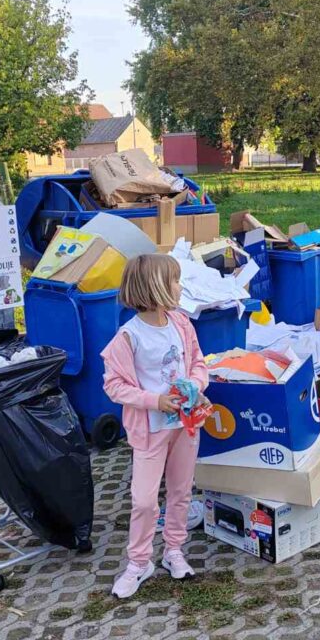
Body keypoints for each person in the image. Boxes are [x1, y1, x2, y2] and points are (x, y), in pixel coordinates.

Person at [102, 254, 209, 598]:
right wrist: (155, 401)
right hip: (150, 431)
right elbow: (113, 385)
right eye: (174, 280)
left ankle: (174, 551)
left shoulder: (181, 324)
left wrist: (196, 385)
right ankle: (138, 563)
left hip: (185, 426)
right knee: (144, 500)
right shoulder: (128, 337)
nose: (180, 286)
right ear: (154, 287)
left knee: (181, 491)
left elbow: (198, 363)